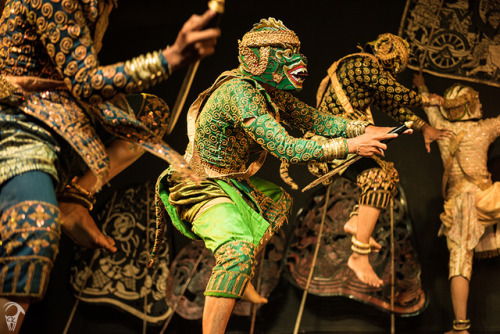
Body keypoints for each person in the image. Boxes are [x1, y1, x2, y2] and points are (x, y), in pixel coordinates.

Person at [151, 18, 407, 334]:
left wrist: (365, 129)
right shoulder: (240, 92)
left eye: (295, 52)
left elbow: (316, 120)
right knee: (238, 249)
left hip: (228, 183)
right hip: (198, 184)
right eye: (284, 52)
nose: (296, 61)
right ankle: (234, 274)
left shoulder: (270, 93)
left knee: (276, 203)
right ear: (254, 57)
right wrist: (352, 144)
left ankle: (237, 275)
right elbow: (285, 147)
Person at [0, 0, 220, 332]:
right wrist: (169, 58)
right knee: (36, 230)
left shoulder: (98, 5)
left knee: (148, 117)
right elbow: (85, 81)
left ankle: (74, 199)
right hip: (21, 123)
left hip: (65, 116)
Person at [313, 33, 452, 287]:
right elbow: (394, 92)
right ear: (387, 54)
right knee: (380, 176)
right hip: (335, 136)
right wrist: (426, 99)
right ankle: (358, 255)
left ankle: (357, 221)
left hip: (349, 135)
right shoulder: (360, 64)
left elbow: (391, 103)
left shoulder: (364, 73)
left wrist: (423, 127)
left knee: (385, 175)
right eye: (395, 65)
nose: (393, 72)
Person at [413, 73, 500, 334]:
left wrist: (421, 87)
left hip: (459, 207)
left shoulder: (442, 131)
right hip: (486, 201)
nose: (481, 106)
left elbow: (430, 109)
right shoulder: (483, 128)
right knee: (461, 262)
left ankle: (461, 327)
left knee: (460, 263)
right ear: (468, 105)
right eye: (476, 102)